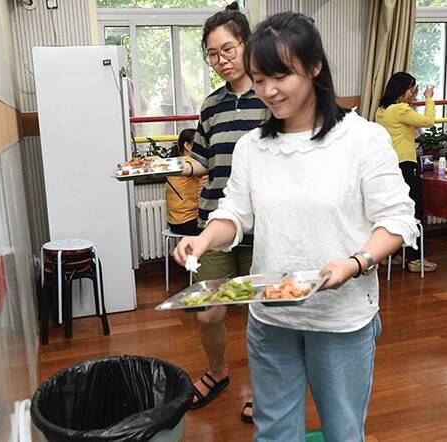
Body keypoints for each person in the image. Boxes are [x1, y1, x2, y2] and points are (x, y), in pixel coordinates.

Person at [174, 12, 418, 441]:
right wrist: (204, 239)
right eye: (259, 77)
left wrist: (356, 262)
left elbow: (397, 221)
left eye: (280, 75)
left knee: (343, 430)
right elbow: (235, 213)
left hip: (340, 319)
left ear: (315, 66)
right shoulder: (254, 147)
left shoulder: (362, 139)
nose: (267, 90)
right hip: (271, 314)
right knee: (273, 431)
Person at [176, 2, 269, 422]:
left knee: (261, 312)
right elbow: (202, 161)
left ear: (246, 44)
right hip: (213, 221)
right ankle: (218, 371)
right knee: (208, 310)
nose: (221, 61)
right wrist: (173, 167)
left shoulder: (270, 96)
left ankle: (265, 388)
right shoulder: (211, 105)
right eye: (212, 54)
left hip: (262, 224)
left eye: (227, 50)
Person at [375, 72, 437, 273]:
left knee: (394, 211)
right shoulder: (401, 110)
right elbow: (428, 121)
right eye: (412, 89)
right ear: (401, 91)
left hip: (389, 166)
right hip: (406, 165)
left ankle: (392, 253)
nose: (414, 94)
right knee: (414, 211)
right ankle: (414, 259)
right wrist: (429, 98)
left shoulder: (382, 111)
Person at [165, 129, 201, 236]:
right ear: (187, 146)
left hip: (173, 223)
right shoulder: (190, 163)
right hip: (188, 223)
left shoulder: (175, 162)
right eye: (199, 143)